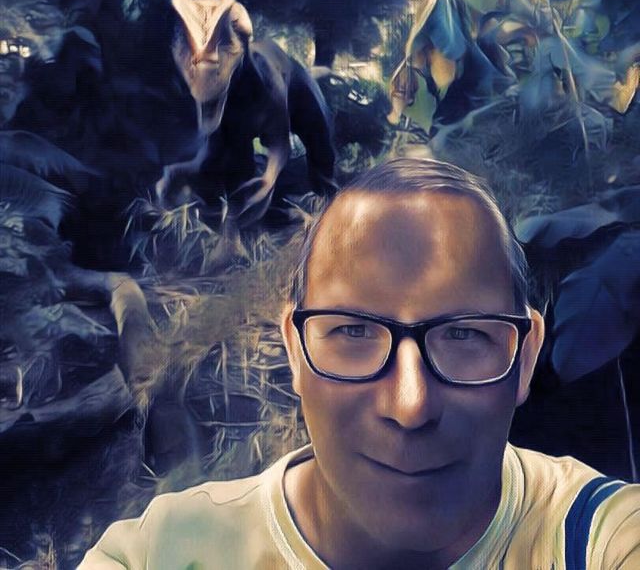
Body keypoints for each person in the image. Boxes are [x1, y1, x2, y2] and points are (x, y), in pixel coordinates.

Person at [79, 157, 639, 569]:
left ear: (526, 356)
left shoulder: (597, 537)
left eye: (464, 333)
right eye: (352, 331)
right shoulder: (157, 552)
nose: (411, 406)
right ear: (296, 351)